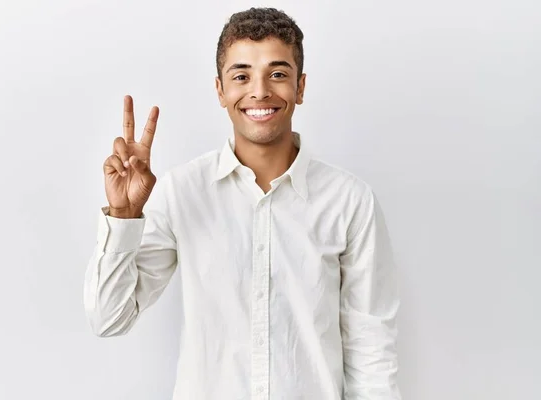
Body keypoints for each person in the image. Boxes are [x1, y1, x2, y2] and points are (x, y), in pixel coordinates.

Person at [84, 7, 401, 400]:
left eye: (278, 74)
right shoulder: (181, 191)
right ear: (221, 90)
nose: (260, 91)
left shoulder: (350, 201)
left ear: (300, 87)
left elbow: (371, 350)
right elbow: (108, 318)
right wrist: (124, 215)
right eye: (241, 76)